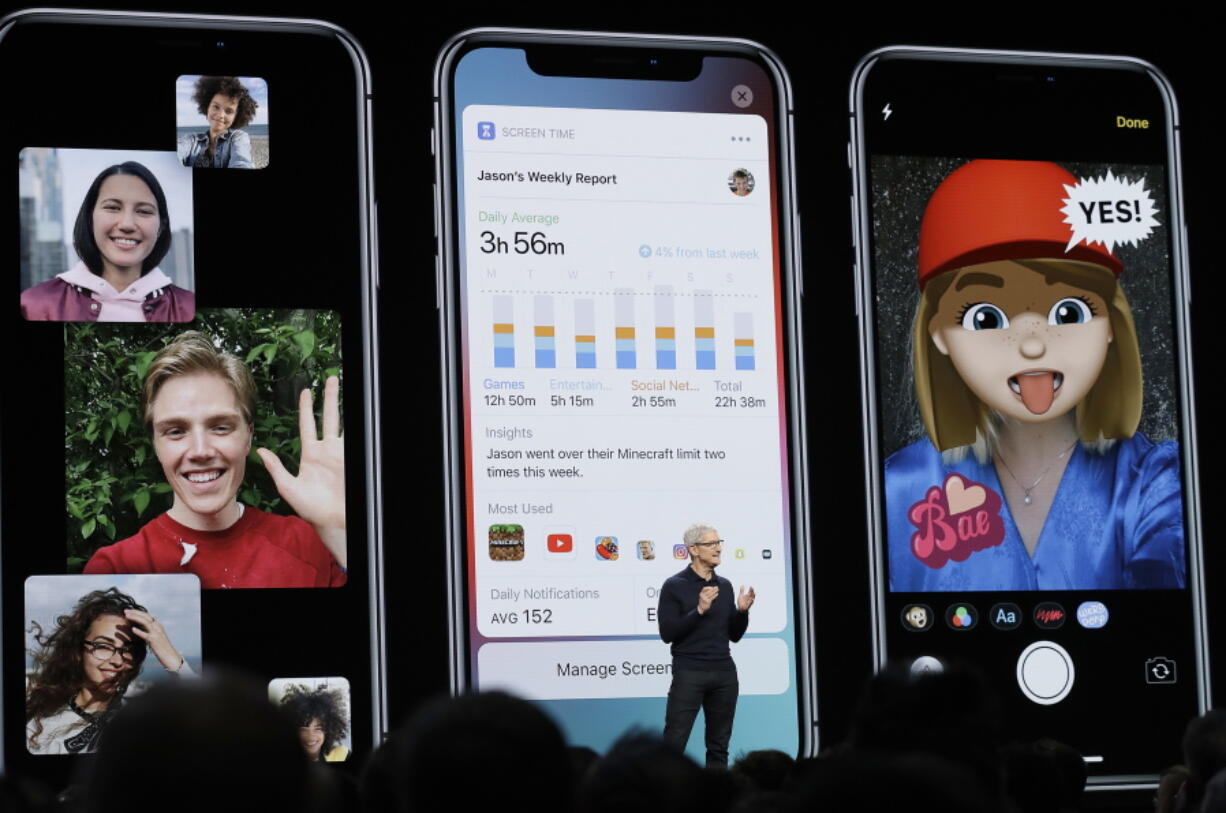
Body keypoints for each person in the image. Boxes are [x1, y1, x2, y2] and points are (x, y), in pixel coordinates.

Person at [886, 159, 1185, 591]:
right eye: (986, 317)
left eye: (1069, 311)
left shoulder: (1154, 483)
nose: (1032, 345)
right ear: (939, 335)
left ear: (1110, 328)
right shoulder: (897, 489)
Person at [83, 331, 347, 588]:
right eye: (175, 431)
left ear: (248, 436)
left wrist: (339, 532)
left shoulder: (311, 545)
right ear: (155, 444)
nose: (200, 451)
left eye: (220, 427)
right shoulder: (116, 569)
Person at [26, 587, 194, 754]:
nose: (118, 661)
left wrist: (170, 656)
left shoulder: (146, 715)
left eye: (128, 650)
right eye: (103, 646)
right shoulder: (37, 729)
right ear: (78, 652)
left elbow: (206, 720)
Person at [20, 161, 194, 322]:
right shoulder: (33, 304)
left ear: (161, 227)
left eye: (144, 211)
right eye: (112, 207)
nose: (127, 224)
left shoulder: (188, 306)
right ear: (90, 218)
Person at [657, 523, 755, 767]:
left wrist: (742, 612)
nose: (718, 548)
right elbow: (667, 633)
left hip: (724, 673)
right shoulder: (674, 585)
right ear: (694, 549)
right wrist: (699, 610)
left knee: (719, 748)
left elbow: (734, 635)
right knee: (673, 744)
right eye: (711, 544)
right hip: (689, 672)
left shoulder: (725, 585)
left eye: (719, 543)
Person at [178, 76, 257, 169]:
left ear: (236, 116)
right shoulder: (191, 140)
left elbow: (242, 162)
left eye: (229, 111)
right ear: (207, 107)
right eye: (216, 107)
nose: (220, 115)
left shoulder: (238, 138)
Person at [278, 683, 350, 762]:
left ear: (328, 731)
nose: (311, 736)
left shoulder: (341, 755)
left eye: (318, 728)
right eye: (304, 728)